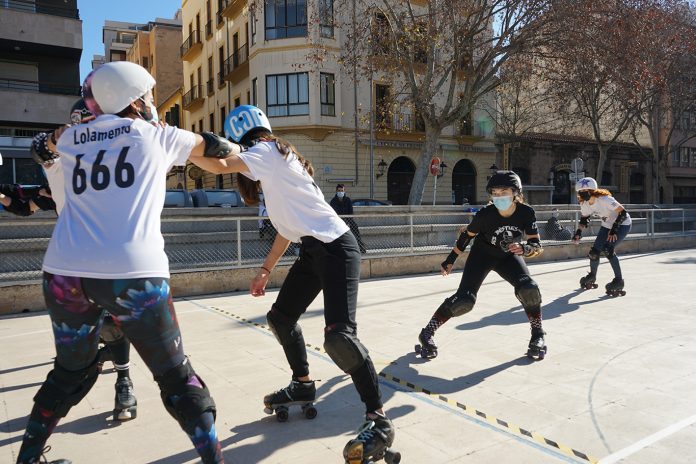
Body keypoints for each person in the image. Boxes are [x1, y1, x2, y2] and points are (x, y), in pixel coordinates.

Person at [17, 61, 231, 464]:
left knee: (68, 372)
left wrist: (56, 137)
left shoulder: (72, 137)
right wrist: (239, 150)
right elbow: (213, 146)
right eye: (148, 96)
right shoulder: (157, 135)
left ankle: (26, 457)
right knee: (177, 377)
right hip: (133, 273)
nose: (153, 103)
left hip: (65, 272)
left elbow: (38, 148)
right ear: (134, 99)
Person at [193, 105, 397, 463]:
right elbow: (287, 232)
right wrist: (265, 271)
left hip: (336, 248)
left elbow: (221, 163)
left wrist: (177, 143)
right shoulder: (276, 170)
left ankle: (378, 419)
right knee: (281, 318)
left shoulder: (267, 152)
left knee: (339, 337)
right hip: (314, 252)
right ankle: (302, 383)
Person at [29, 98, 139, 423]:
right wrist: (57, 137)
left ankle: (124, 379)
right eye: (84, 127)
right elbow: (40, 150)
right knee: (79, 347)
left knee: (116, 325)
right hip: (72, 263)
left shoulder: (115, 158)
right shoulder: (60, 160)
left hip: (110, 259)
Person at [416, 171, 547, 360]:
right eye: (495, 193)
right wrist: (450, 260)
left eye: (504, 192)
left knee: (529, 289)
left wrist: (525, 248)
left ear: (515, 193)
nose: (499, 197)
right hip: (482, 255)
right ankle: (427, 332)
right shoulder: (485, 214)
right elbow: (466, 236)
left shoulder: (526, 212)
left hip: (508, 256)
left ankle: (538, 335)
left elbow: (537, 246)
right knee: (465, 300)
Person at [572, 177, 632, 295]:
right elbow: (584, 218)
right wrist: (578, 232)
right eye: (580, 193)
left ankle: (619, 280)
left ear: (592, 191)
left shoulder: (605, 199)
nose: (582, 195)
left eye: (584, 192)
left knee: (608, 249)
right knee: (594, 252)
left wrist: (614, 229)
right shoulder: (584, 203)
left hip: (623, 224)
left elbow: (623, 213)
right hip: (606, 226)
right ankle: (592, 276)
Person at [330, 183, 367, 253]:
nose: (340, 192)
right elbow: (333, 214)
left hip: (348, 221)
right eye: (339, 191)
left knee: (355, 229)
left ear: (344, 191)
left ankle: (360, 248)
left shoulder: (348, 200)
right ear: (336, 191)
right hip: (338, 222)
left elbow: (350, 212)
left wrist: (348, 223)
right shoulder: (333, 201)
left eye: (342, 191)